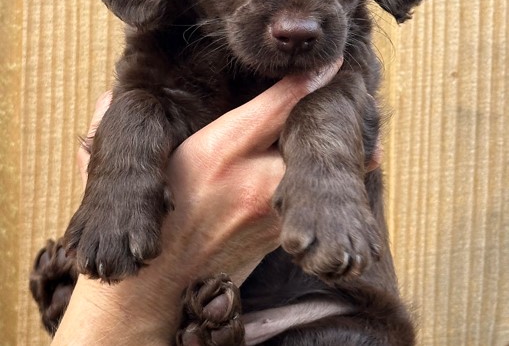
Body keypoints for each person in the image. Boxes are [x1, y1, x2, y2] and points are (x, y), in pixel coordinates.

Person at [52, 61, 380, 345]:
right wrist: (122, 166)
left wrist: (326, 166)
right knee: (134, 107)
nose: (292, 22)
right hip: (192, 316)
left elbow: (348, 107)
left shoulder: (338, 66)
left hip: (327, 317)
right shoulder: (168, 38)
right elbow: (141, 103)